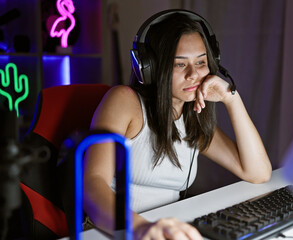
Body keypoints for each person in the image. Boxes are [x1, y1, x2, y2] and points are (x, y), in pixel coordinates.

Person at [82, 10, 271, 240]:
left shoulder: (193, 119)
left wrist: (231, 98)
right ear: (151, 67)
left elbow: (258, 172)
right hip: (115, 231)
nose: (194, 74)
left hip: (165, 231)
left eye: (201, 62)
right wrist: (142, 229)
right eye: (180, 65)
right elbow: (92, 186)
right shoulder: (124, 102)